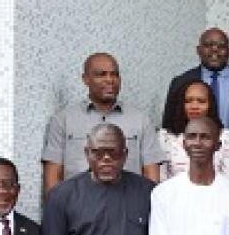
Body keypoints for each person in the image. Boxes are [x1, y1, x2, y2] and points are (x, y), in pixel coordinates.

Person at [42, 53, 162, 194]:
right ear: (85, 79)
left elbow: (151, 175)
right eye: (101, 74)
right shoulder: (63, 120)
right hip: (78, 207)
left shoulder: (141, 120)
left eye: (114, 74)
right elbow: (52, 176)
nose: (109, 80)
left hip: (126, 205)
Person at [162, 27, 229, 150]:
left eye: (221, 46)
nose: (214, 50)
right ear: (198, 50)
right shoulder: (180, 82)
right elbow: (169, 125)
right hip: (187, 156)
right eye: (208, 45)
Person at [158, 79, 229, 182]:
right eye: (188, 101)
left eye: (201, 101)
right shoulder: (166, 137)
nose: (194, 106)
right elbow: (161, 180)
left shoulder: (224, 137)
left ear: (210, 105)